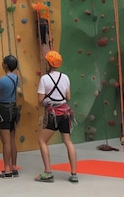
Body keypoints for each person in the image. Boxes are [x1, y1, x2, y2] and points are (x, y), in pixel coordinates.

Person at [35, 50, 78, 183]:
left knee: (42, 141)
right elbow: (68, 97)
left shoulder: (44, 79)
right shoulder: (65, 77)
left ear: (48, 63)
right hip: (65, 113)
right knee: (68, 141)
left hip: (53, 114)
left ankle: (48, 172)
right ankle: (74, 173)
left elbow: (40, 100)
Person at [0, 55, 20, 178]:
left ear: (6, 65)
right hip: (14, 108)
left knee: (6, 142)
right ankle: (14, 166)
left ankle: (7, 168)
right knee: (12, 139)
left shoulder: (3, 80)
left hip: (4, 109)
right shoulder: (16, 78)